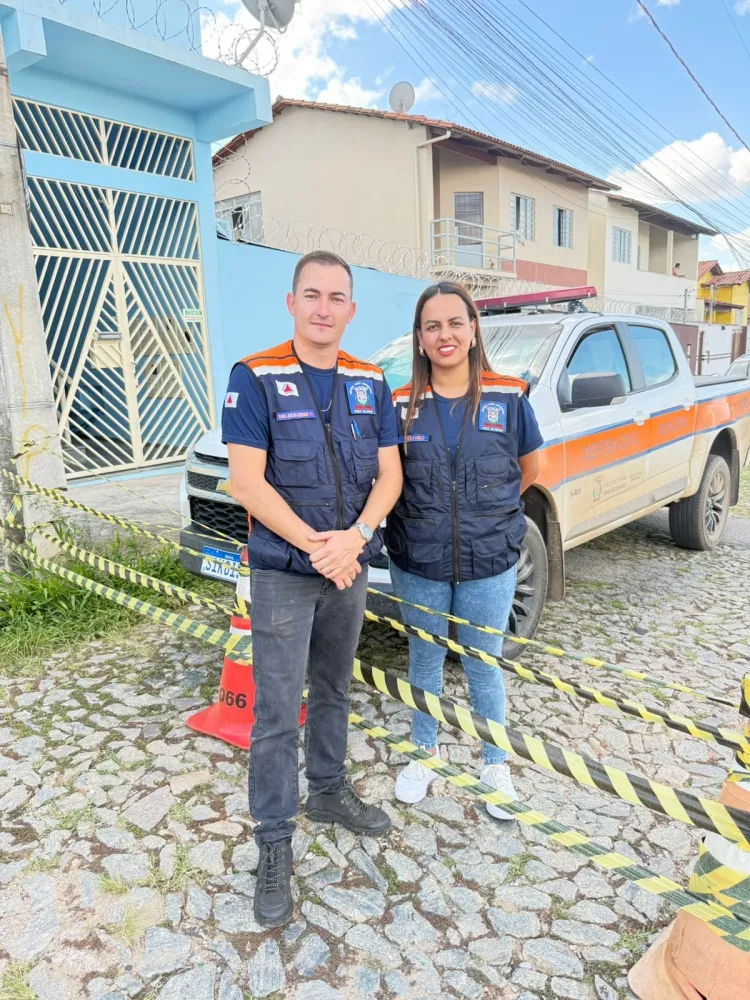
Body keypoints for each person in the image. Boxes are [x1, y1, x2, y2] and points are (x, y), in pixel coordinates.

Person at [222, 250, 403, 927]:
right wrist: (316, 547)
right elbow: (247, 483)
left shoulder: (369, 380)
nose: (324, 307)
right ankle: (273, 844)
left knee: (333, 689)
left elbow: (389, 476)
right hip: (284, 575)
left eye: (337, 297)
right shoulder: (256, 377)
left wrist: (354, 538)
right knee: (275, 713)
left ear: (351, 310)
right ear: (291, 303)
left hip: (347, 566)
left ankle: (327, 791)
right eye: (312, 295)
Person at [384, 281, 542, 818]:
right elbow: (386, 477)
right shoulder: (399, 404)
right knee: (424, 660)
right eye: (433, 326)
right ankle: (422, 752)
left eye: (455, 323)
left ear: (474, 330)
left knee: (483, 664)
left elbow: (531, 468)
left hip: (488, 563)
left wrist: (488, 516)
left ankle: (494, 761)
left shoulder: (508, 395)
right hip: (418, 561)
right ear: (420, 338)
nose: (445, 334)